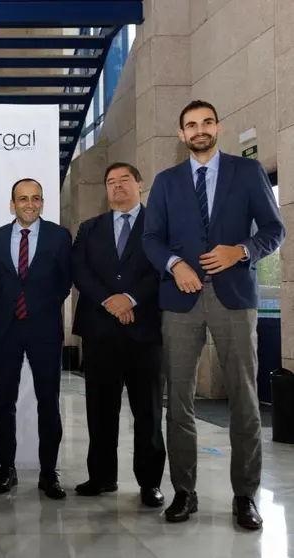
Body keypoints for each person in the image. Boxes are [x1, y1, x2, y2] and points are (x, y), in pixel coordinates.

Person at [142, 100, 285, 529]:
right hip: (180, 299)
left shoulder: (247, 173)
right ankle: (185, 492)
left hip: (234, 296)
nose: (199, 130)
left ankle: (245, 496)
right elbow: (151, 238)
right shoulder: (166, 182)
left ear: (218, 128)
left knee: (244, 399)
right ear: (181, 134)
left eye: (206, 122)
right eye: (191, 125)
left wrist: (240, 251)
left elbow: (274, 231)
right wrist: (175, 265)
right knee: (178, 401)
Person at [71, 162, 165, 508]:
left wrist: (130, 298)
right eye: (111, 181)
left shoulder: (159, 227)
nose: (117, 186)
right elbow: (79, 270)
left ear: (140, 184)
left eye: (124, 179)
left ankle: (150, 483)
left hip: (144, 332)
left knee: (148, 411)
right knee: (100, 410)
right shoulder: (89, 228)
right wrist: (110, 301)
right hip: (100, 330)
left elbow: (162, 268)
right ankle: (101, 476)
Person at [0, 178, 72, 499]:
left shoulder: (59, 236)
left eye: (36, 198)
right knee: (4, 403)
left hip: (44, 329)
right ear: (13, 204)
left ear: (42, 202)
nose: (30, 204)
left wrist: (41, 306)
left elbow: (65, 282)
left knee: (48, 403)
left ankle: (49, 473)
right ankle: (5, 468)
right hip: (5, 329)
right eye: (23, 199)